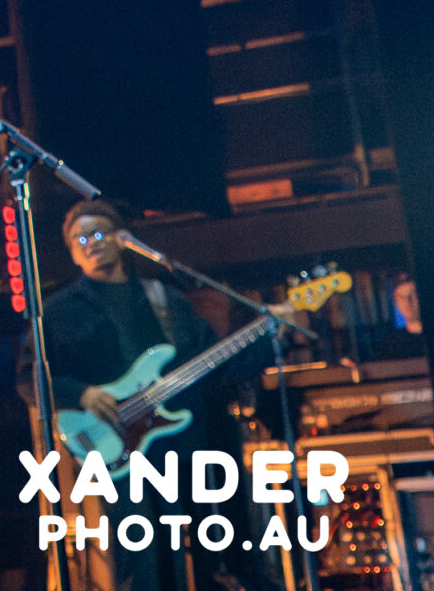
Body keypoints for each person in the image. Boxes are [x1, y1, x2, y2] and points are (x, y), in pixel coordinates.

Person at [19, 200, 277, 591]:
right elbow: (28, 378)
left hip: (183, 445)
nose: (91, 243)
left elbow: (214, 364)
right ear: (72, 252)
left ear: (122, 239)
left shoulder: (165, 299)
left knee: (209, 554)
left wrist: (268, 335)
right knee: (144, 563)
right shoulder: (56, 312)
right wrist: (82, 394)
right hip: (117, 448)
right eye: (80, 239)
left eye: (99, 233)